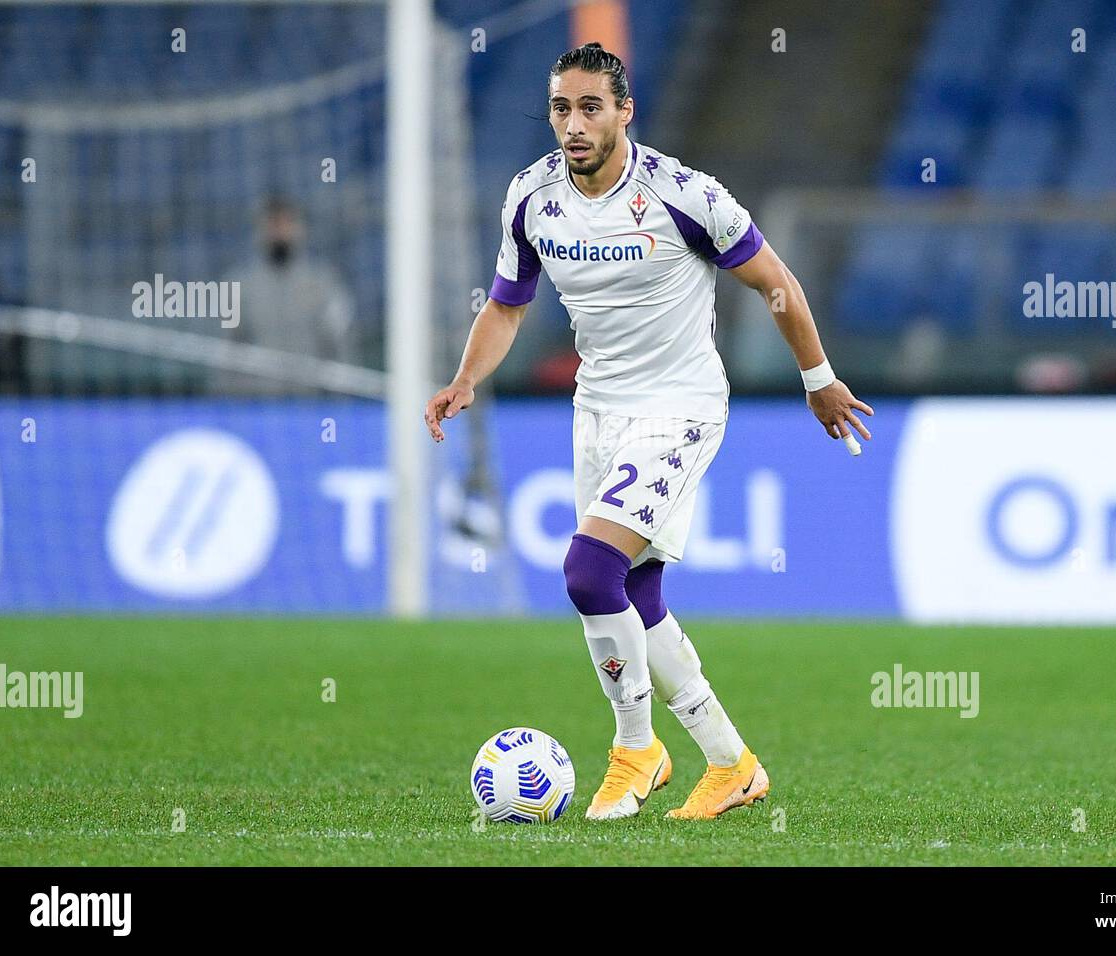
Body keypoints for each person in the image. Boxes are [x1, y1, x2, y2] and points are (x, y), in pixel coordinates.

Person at [425, 43, 873, 821]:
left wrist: (818, 378)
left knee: (588, 572)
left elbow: (776, 283)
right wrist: (467, 379)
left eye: (591, 107)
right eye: (562, 107)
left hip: (681, 407)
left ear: (625, 111)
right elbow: (505, 304)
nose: (574, 123)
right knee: (635, 589)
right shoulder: (531, 198)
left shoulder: (685, 196)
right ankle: (731, 764)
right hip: (597, 410)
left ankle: (636, 747)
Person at [215, 198, 357, 395]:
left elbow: (339, 346)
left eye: (286, 224)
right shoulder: (239, 285)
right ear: (260, 231)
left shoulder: (324, 283)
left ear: (301, 229)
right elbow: (227, 353)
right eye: (273, 225)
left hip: (311, 404)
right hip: (257, 406)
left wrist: (340, 401)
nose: (279, 233)